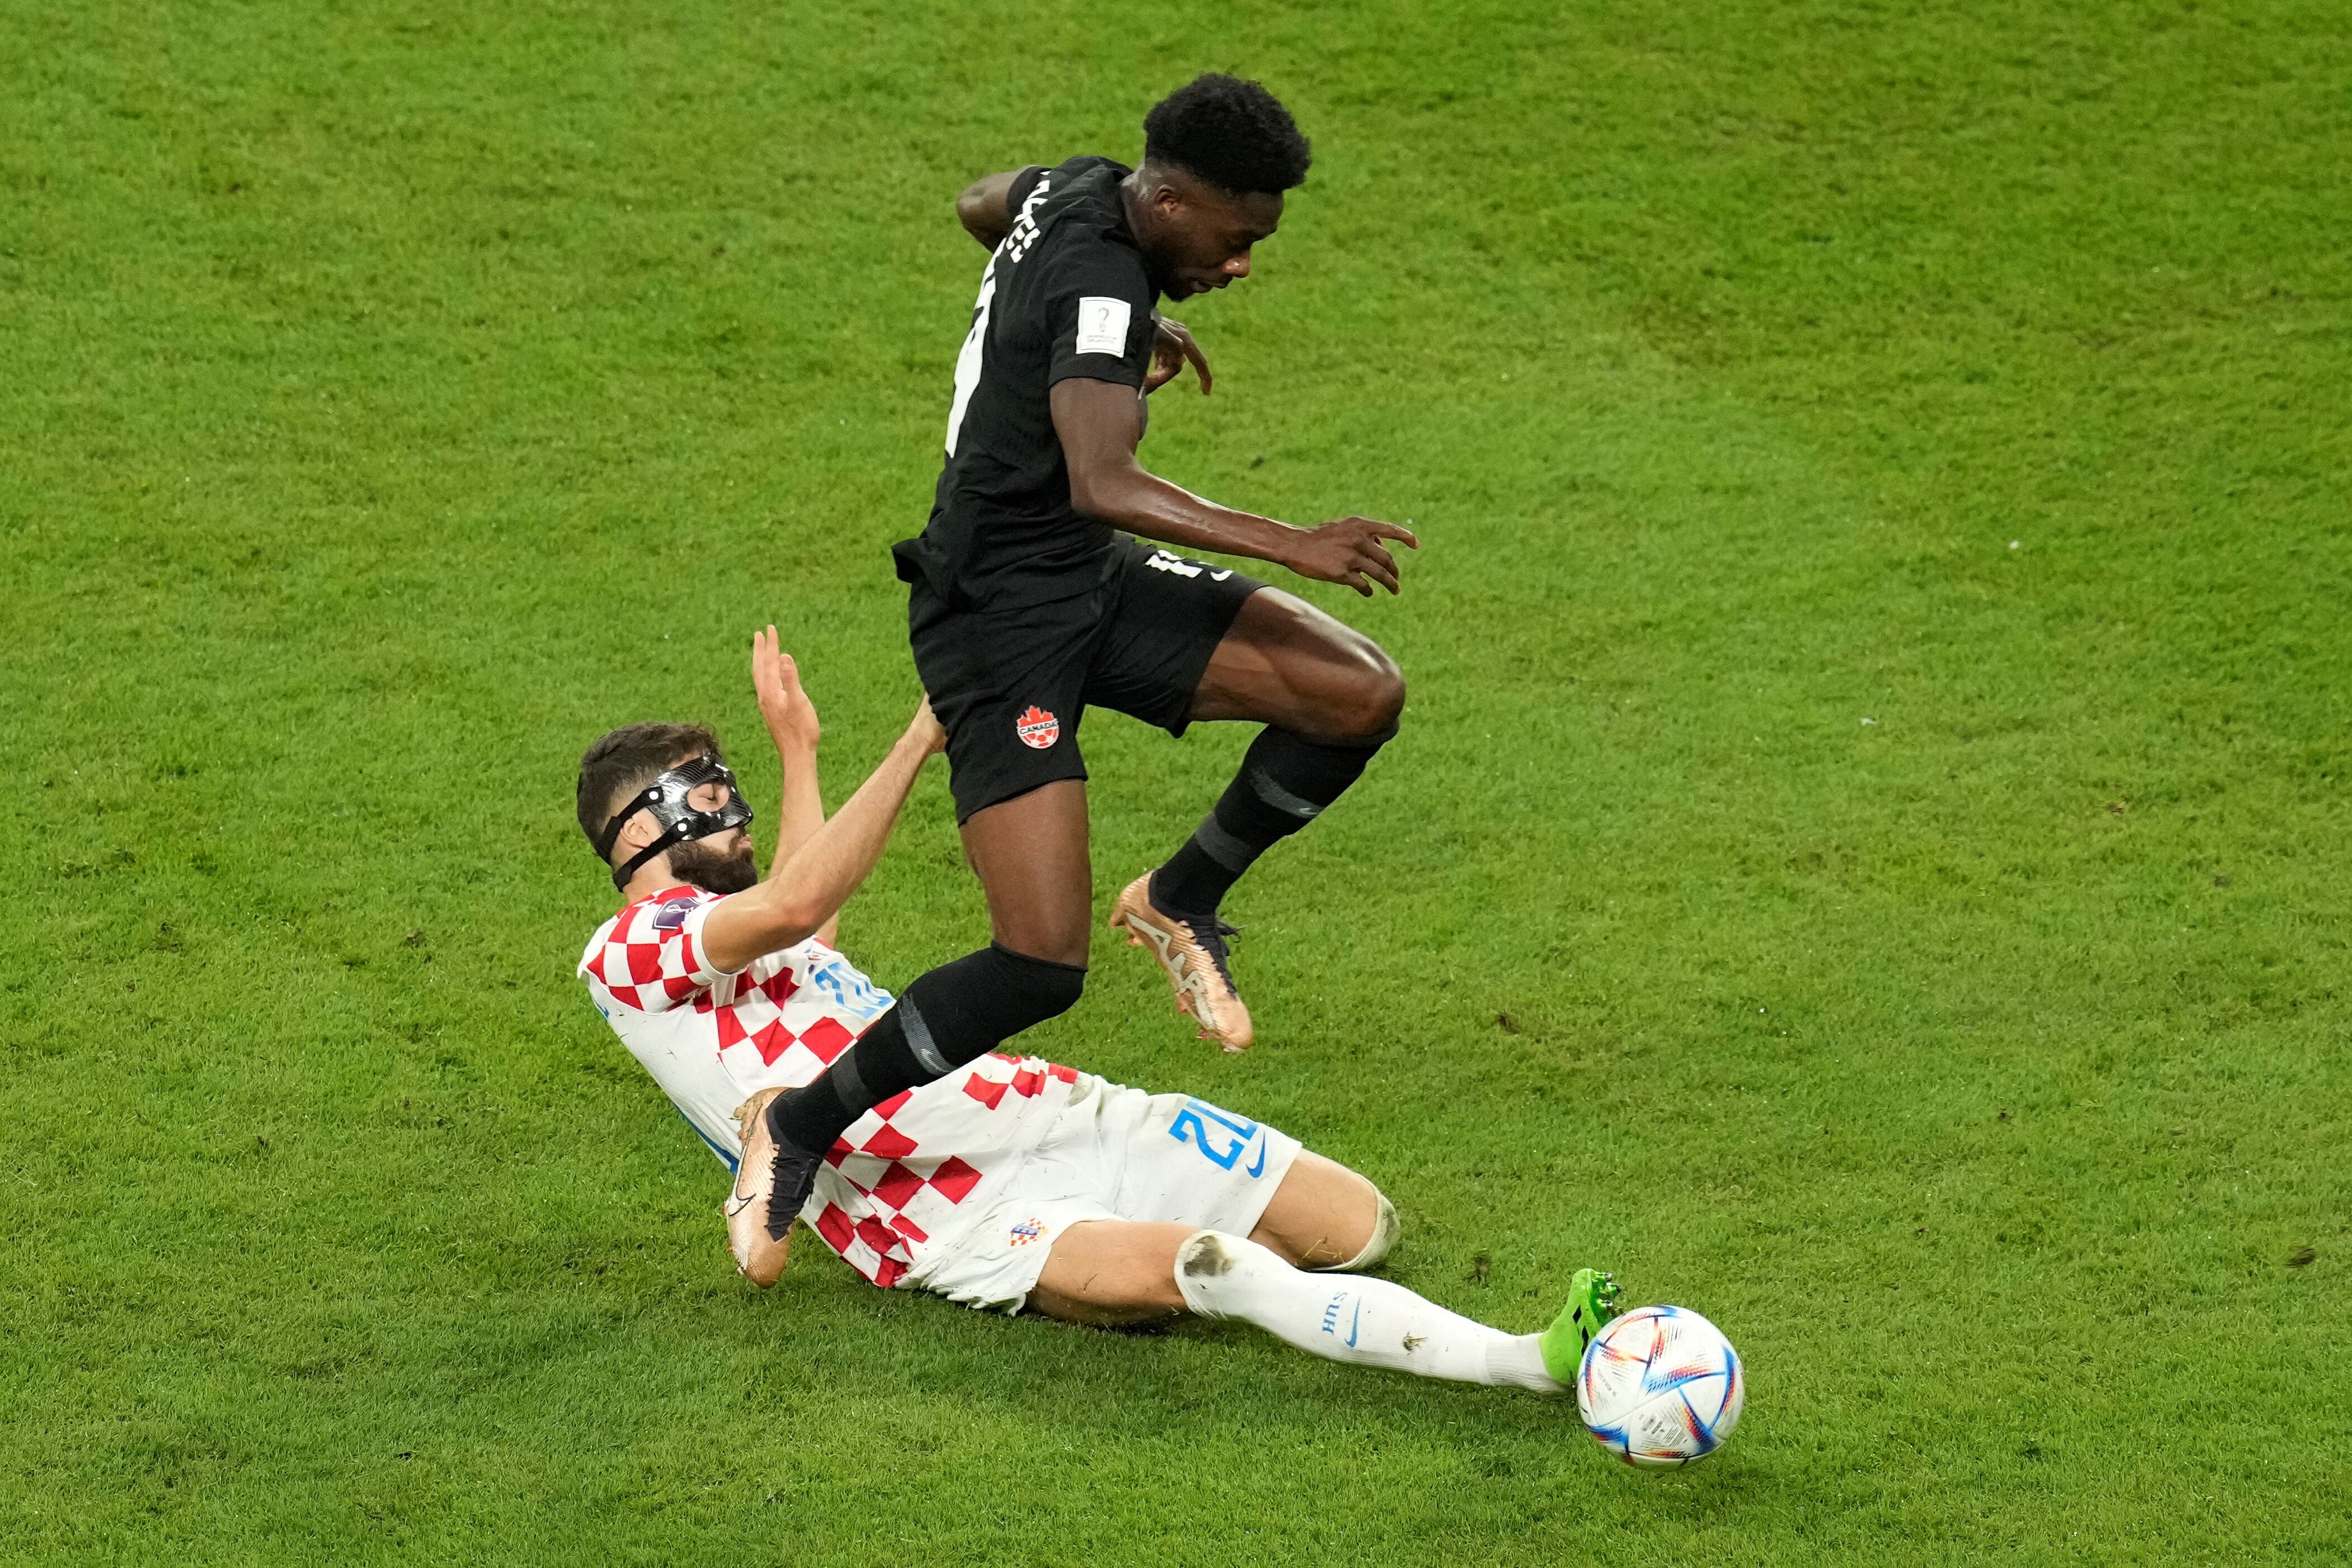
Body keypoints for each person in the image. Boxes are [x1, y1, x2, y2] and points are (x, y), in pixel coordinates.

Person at [735, 73, 1425, 1248]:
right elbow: (1103, 478)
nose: (1246, 264)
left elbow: (975, 202)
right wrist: (1291, 543)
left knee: (1357, 692)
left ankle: (1180, 897)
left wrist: (1096, 321)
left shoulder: (1076, 186)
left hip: (1083, 579)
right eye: (1238, 237)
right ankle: (799, 1121)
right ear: (1165, 201)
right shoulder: (1105, 274)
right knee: (1039, 960)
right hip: (994, 619)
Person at [574, 637, 1625, 1392]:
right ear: (641, 825)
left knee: (1359, 1228)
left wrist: (798, 748)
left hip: (1042, 1107)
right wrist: (919, 737)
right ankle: (1527, 1362)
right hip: (947, 1207)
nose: (733, 810)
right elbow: (797, 902)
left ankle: (1198, 1281)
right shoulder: (626, 950)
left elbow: (807, 919)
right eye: (708, 797)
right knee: (1219, 1270)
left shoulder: (725, 933)